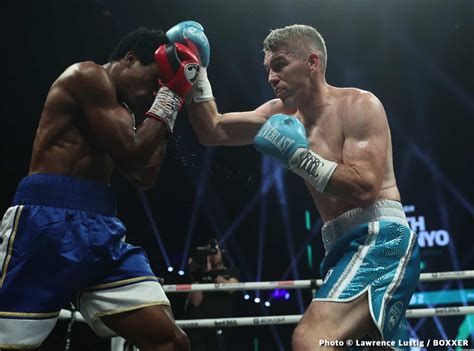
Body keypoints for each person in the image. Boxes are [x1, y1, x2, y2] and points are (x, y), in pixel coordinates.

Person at [168, 22, 421, 350]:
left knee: (310, 340)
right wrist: (196, 70)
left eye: (280, 65)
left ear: (312, 63)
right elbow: (212, 130)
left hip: (379, 237)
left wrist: (298, 156)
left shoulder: (359, 105)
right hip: (338, 245)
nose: (271, 78)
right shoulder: (278, 114)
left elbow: (365, 188)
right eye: (268, 69)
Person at [0, 27, 199, 350]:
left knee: (170, 341)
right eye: (153, 81)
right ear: (131, 60)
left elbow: (143, 175)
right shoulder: (86, 75)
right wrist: (171, 95)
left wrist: (170, 102)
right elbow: (133, 152)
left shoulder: (125, 114)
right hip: (46, 221)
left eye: (159, 88)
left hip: (102, 228)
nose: (154, 92)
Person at [185, 239, 240, 351]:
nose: (213, 255)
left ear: (222, 253)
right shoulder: (200, 274)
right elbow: (196, 301)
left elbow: (231, 288)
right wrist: (195, 275)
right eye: (210, 253)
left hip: (222, 323)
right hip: (202, 324)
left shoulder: (231, 271)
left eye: (215, 251)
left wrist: (211, 274)